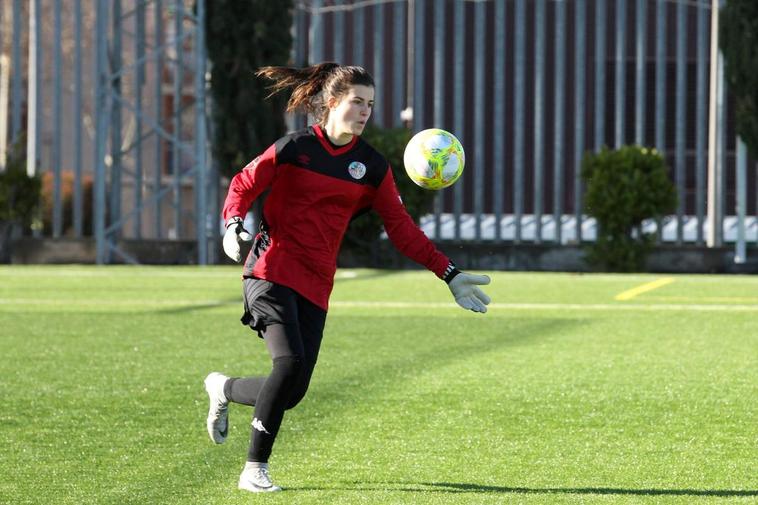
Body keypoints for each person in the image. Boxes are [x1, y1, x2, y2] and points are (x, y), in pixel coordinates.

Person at [203, 62, 491, 493]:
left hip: (316, 284)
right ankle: (253, 470)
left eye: (370, 105)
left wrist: (448, 274)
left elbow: (403, 230)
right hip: (270, 270)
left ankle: (222, 387)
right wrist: (232, 224)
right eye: (358, 101)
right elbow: (244, 183)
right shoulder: (294, 148)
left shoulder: (371, 166)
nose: (364, 112)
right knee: (290, 364)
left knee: (292, 391)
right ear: (332, 102)